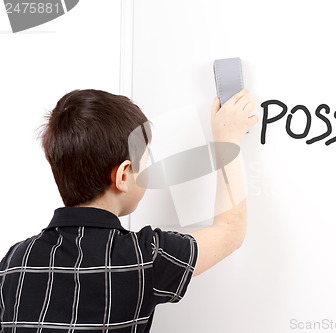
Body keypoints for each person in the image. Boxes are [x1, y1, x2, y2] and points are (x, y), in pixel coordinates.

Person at [0, 88, 258, 332]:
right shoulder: (142, 257)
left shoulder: (14, 261)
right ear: (123, 176)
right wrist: (228, 141)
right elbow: (230, 230)